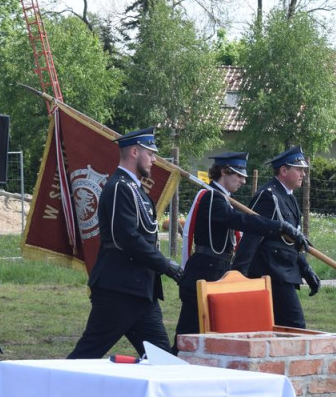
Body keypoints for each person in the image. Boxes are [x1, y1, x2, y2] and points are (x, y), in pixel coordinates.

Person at [67, 127, 183, 359]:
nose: (154, 160)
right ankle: (48, 391)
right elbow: (128, 238)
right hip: (119, 290)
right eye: (150, 153)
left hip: (140, 291)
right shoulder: (119, 188)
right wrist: (167, 265)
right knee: (85, 356)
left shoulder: (134, 189)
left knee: (163, 361)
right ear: (133, 152)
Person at [172, 151, 305, 350]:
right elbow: (239, 220)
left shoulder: (223, 198)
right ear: (224, 172)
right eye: (239, 175)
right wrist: (278, 227)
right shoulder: (211, 198)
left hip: (216, 274)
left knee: (212, 340)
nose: (243, 181)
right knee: (187, 339)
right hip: (203, 273)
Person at [232, 147, 320, 329]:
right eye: (299, 169)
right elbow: (251, 236)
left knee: (281, 328)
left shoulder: (289, 198)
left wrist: (306, 270)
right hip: (269, 272)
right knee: (295, 326)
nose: (303, 174)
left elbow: (293, 242)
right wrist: (239, 275)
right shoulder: (268, 196)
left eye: (304, 170)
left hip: (285, 273)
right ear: (283, 170)